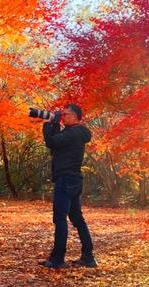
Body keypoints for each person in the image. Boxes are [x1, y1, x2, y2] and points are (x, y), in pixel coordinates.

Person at [39, 104, 97, 269]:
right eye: (62, 114)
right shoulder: (74, 133)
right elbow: (57, 142)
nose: (63, 116)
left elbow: (51, 142)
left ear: (75, 116)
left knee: (60, 218)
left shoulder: (74, 132)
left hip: (66, 179)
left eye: (66, 114)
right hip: (73, 179)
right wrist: (54, 123)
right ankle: (88, 257)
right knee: (77, 218)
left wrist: (49, 123)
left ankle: (57, 259)